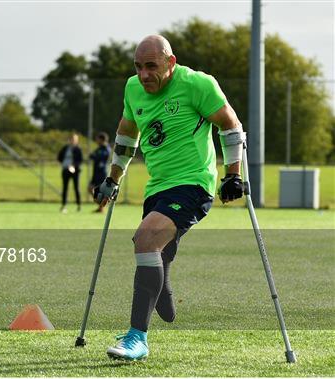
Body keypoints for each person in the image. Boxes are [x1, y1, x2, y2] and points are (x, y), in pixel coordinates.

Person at [93, 35, 245, 361]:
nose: (144, 74)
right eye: (138, 66)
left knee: (146, 238)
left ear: (170, 63)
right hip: (157, 187)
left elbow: (230, 126)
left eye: (151, 66)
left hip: (193, 185)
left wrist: (233, 174)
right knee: (157, 249)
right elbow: (126, 134)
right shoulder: (133, 88)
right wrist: (112, 179)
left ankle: (137, 338)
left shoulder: (198, 85)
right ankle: (162, 283)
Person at [57, 133, 83, 213]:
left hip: (75, 171)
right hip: (65, 170)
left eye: (74, 139)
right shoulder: (65, 148)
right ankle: (64, 205)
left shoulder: (78, 149)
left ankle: (79, 205)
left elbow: (80, 160)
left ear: (76, 140)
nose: (72, 141)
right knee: (65, 188)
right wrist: (65, 164)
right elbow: (59, 157)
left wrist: (73, 166)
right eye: (71, 139)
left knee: (76, 188)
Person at [88, 132, 112, 212]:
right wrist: (95, 156)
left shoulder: (106, 148)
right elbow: (92, 156)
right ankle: (101, 206)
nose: (96, 140)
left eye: (97, 139)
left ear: (102, 139)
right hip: (96, 172)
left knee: (98, 191)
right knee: (90, 188)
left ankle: (101, 207)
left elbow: (101, 157)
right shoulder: (99, 148)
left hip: (101, 173)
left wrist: (96, 157)